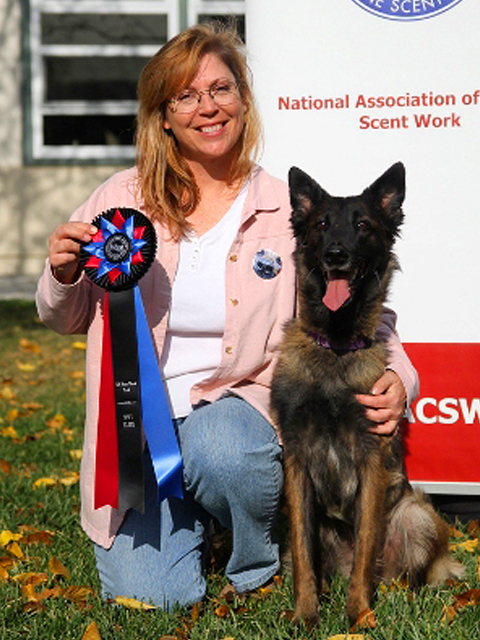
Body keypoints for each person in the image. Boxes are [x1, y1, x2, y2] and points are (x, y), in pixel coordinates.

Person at [36, 23, 419, 610]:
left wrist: (403, 380)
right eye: (186, 96)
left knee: (223, 447)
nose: (207, 107)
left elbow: (355, 308)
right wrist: (63, 274)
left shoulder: (282, 208)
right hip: (138, 434)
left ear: (242, 99)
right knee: (154, 599)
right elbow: (61, 318)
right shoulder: (120, 196)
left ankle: (256, 559)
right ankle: (194, 525)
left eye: (221, 89)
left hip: (235, 421)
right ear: (163, 115)